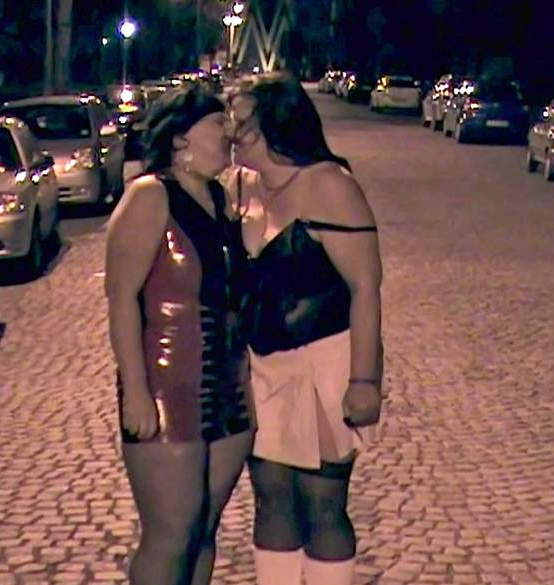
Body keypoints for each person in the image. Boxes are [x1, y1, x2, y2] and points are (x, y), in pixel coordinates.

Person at [224, 73, 383, 585]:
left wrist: (365, 380)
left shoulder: (329, 185)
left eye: (241, 120)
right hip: (262, 368)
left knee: (322, 502)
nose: (230, 130)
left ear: (274, 122)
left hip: (326, 364)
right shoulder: (239, 185)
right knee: (271, 498)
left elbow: (365, 287)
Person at [104, 86, 254, 585]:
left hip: (228, 392)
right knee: (171, 534)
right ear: (180, 139)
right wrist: (136, 390)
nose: (228, 133)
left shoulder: (220, 198)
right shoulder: (150, 195)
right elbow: (121, 297)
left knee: (203, 530)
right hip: (168, 387)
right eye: (217, 124)